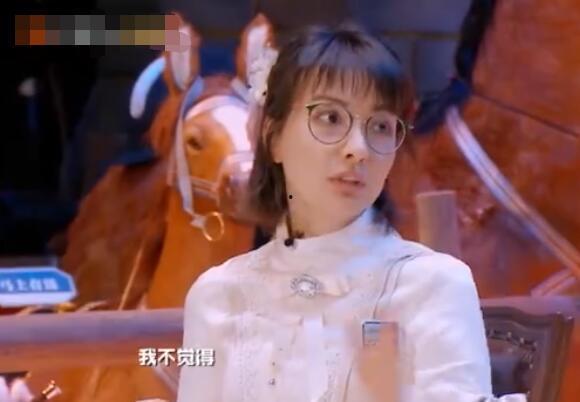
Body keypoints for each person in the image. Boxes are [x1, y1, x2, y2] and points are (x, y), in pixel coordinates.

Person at [176, 22, 526, 402]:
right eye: (330, 118)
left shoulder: (434, 285)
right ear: (273, 136)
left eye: (380, 126)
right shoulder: (218, 295)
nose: (358, 149)